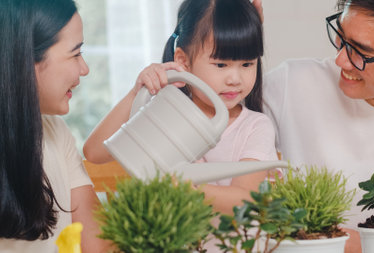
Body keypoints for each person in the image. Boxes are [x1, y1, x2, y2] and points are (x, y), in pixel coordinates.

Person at [259, 0, 374, 252]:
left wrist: (358, 244)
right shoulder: (288, 84)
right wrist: (228, 29)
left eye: (361, 52)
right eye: (341, 36)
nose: (341, 60)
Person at [83, 0, 277, 215]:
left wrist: (184, 189)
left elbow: (245, 200)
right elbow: (94, 152)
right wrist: (136, 92)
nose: (235, 79)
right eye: (221, 65)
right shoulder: (165, 113)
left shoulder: (256, 126)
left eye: (247, 64)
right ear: (183, 62)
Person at [0, 0, 111, 252]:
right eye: (75, 54)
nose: (84, 69)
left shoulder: (56, 131)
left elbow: (96, 245)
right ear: (25, 60)